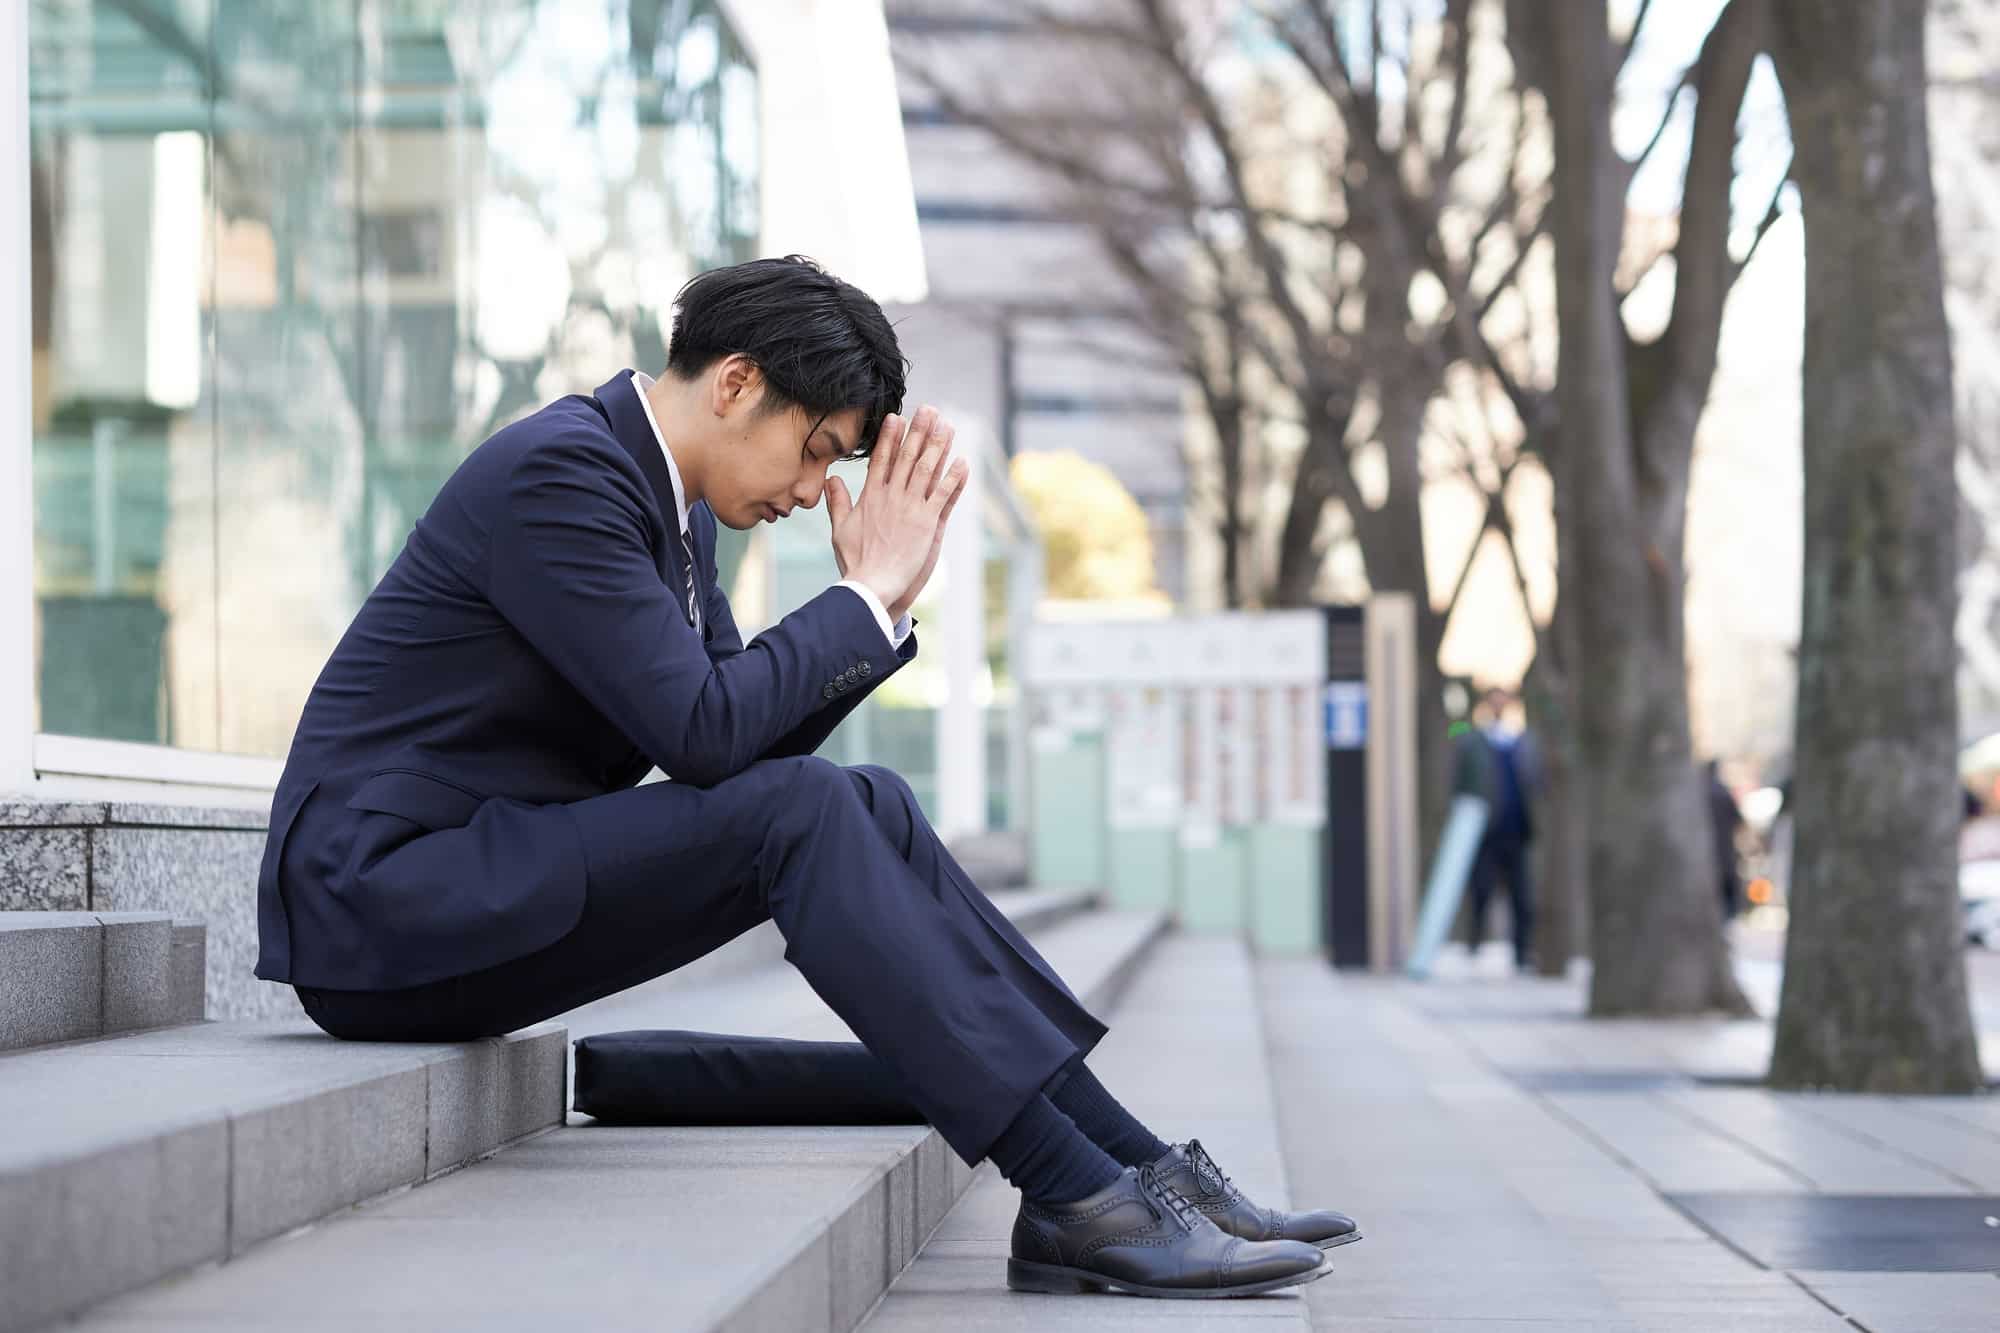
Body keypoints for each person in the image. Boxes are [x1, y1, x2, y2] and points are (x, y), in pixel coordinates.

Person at [250, 256, 1351, 1299]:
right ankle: (1071, 1195)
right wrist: (857, 600)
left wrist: (882, 608)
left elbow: (744, 750)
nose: (817, 489)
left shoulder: (674, 511)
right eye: (817, 449)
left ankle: (1136, 1167)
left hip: (482, 881)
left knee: (870, 798)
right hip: (381, 904)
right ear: (736, 384)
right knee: (815, 806)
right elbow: (705, 734)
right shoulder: (563, 473)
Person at [1460, 687, 1538, 970]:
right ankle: (1474, 943)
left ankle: (1522, 951)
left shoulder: (1520, 741)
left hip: (1516, 830)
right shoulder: (1471, 739)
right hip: (1484, 831)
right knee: (1481, 890)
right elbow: (1460, 780)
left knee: (1522, 896)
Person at [1704, 759, 1747, 920]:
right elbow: (1739, 820)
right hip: (1724, 851)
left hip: (1709, 853)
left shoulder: (1700, 793)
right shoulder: (1722, 792)